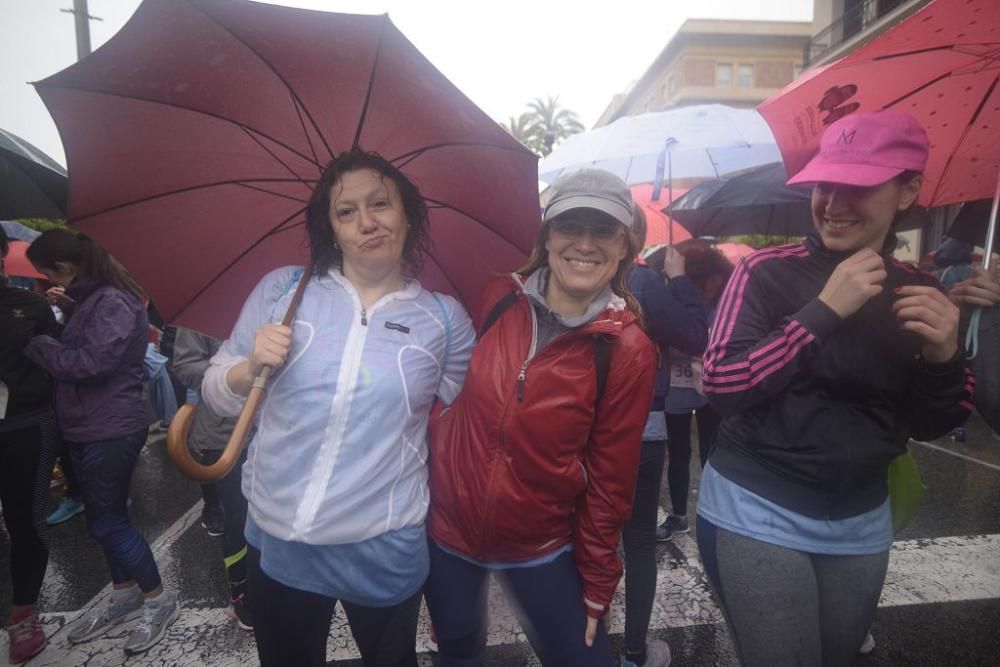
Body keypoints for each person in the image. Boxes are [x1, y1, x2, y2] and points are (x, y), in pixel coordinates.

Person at [696, 110, 973, 666]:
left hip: (862, 517)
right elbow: (721, 385)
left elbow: (931, 422)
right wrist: (822, 312)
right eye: (826, 184)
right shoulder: (766, 272)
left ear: (908, 190)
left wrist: (945, 354)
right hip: (758, 504)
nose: (834, 203)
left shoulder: (921, 292)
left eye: (860, 185)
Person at [201, 149, 474, 667]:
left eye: (380, 204)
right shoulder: (283, 291)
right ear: (330, 227)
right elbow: (215, 389)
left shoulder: (444, 318)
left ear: (408, 215)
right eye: (346, 211)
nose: (366, 222)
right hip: (280, 542)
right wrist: (247, 367)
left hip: (384, 547)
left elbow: (462, 424)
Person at [425, 168, 657, 666]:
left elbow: (612, 482)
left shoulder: (628, 349)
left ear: (625, 245)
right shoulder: (494, 297)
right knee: (458, 653)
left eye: (604, 230)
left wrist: (597, 582)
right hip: (448, 534)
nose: (585, 243)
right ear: (547, 236)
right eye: (571, 225)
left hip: (542, 545)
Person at [24, 229, 178, 655]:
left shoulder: (112, 300)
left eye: (45, 272)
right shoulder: (93, 299)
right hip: (87, 424)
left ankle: (159, 600)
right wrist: (70, 313)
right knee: (104, 518)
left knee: (108, 522)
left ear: (65, 267)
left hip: (110, 425)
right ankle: (125, 593)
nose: (44, 279)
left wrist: (40, 345)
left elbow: (93, 361)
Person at [621, 211, 709, 667]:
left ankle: (579, 645)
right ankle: (634, 651)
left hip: (572, 430)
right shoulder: (643, 282)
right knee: (636, 541)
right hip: (640, 428)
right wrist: (678, 279)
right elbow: (697, 335)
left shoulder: (557, 279)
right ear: (636, 235)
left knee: (579, 541)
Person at [1, 227, 58, 663]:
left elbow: (58, 359)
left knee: (26, 522)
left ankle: (24, 612)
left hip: (27, 424)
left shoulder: (31, 306)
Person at [172, 327, 250, 629]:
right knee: (239, 516)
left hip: (279, 427)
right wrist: (245, 373)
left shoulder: (282, 298)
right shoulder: (200, 316)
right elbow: (185, 365)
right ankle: (242, 592)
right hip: (224, 436)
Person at [657, 241, 734, 542]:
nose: (713, 287)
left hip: (711, 390)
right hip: (676, 388)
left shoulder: (726, 304)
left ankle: (717, 517)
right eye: (707, 282)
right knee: (678, 452)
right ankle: (679, 516)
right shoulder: (675, 297)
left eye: (717, 281)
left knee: (712, 452)